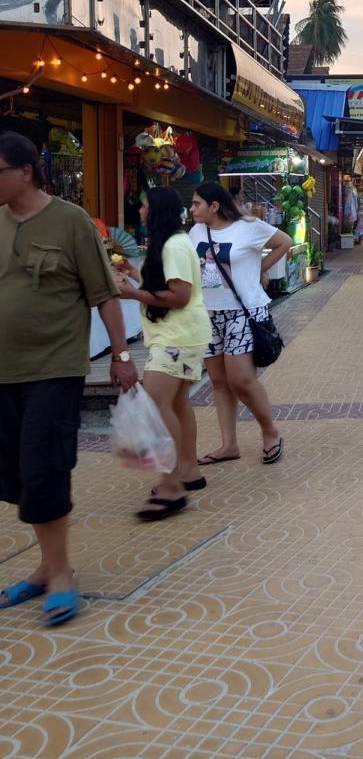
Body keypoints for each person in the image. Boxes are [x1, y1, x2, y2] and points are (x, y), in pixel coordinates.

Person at [0, 132, 138, 626]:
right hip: (4, 372)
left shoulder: (71, 221)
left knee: (44, 468)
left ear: (26, 171)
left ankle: (60, 574)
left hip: (54, 369)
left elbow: (104, 294)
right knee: (18, 474)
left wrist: (121, 355)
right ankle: (45, 567)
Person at [115, 188, 212, 520]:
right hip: (179, 335)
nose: (141, 211)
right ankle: (188, 471)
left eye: (145, 206)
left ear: (158, 211)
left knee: (157, 404)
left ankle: (172, 487)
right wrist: (134, 275)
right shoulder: (172, 243)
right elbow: (165, 285)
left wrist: (133, 294)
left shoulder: (174, 245)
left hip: (177, 337)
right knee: (177, 403)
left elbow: (179, 296)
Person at [189, 182, 292, 466]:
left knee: (241, 380)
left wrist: (259, 268)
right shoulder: (196, 231)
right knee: (219, 382)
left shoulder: (248, 226)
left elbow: (284, 242)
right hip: (209, 313)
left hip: (242, 312)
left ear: (214, 206)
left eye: (197, 203)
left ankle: (270, 432)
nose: (192, 209)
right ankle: (229, 445)